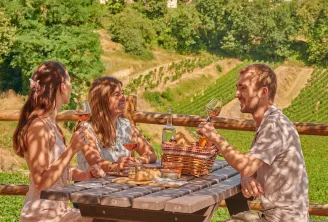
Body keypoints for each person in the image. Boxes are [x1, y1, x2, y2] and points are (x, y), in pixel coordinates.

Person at [197, 64, 309, 222]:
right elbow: (251, 165)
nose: (237, 94)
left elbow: (247, 165)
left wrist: (216, 137)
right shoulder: (267, 122)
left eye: (243, 88)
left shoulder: (275, 125)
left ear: (263, 92)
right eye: (238, 88)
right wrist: (246, 177)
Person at [13, 61, 100, 222]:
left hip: (59, 212)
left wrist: (84, 175)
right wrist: (71, 149)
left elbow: (59, 170)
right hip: (42, 215)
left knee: (110, 218)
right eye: (69, 81)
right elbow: (41, 182)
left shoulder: (51, 124)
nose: (71, 86)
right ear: (61, 86)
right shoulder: (38, 126)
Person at [77, 76, 157, 173]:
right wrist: (116, 166)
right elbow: (95, 162)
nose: (123, 98)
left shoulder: (126, 125)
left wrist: (137, 161)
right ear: (103, 100)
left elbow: (151, 153)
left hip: (117, 185)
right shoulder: (86, 129)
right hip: (89, 186)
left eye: (122, 93)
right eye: (116, 94)